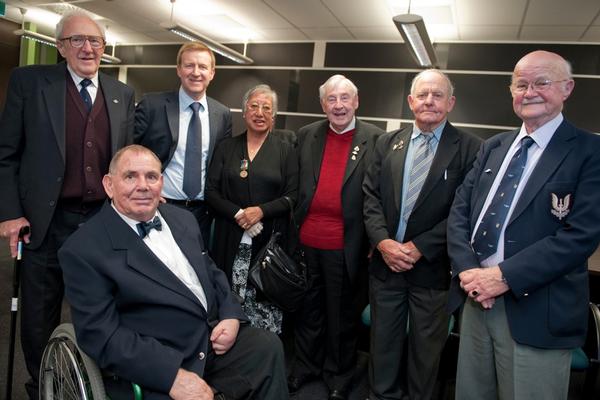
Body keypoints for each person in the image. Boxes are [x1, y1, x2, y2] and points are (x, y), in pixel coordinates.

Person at [58, 145, 289, 400]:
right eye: (130, 176)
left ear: (162, 183)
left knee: (267, 347)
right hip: (157, 359)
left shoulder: (182, 219)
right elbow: (102, 335)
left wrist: (230, 314)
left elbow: (210, 271)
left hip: (209, 339)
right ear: (109, 184)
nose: (143, 185)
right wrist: (171, 376)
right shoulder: (83, 250)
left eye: (152, 176)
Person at [447, 50, 600, 400]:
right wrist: (470, 272)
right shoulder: (493, 147)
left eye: (542, 82)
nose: (530, 91)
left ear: (567, 89)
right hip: (475, 301)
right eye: (521, 84)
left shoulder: (590, 151)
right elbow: (459, 213)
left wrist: (500, 278)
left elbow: (580, 236)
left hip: (537, 309)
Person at [0, 10, 135, 398]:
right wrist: (10, 213)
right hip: (45, 220)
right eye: (78, 40)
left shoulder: (121, 93)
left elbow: (123, 159)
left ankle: (91, 384)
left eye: (95, 41)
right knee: (39, 316)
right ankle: (43, 385)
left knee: (98, 309)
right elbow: (7, 153)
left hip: (100, 222)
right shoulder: (30, 83)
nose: (87, 48)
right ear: (61, 47)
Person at [363, 69, 481, 400]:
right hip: (386, 265)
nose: (429, 100)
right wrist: (383, 242)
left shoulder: (471, 148)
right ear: (411, 101)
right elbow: (369, 197)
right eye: (423, 94)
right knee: (382, 345)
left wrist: (419, 247)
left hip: (434, 269)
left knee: (425, 353)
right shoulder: (386, 142)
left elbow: (465, 210)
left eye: (438, 95)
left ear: (451, 102)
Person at [289, 74, 383, 400]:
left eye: (345, 98)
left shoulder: (376, 139)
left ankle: (338, 374)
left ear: (356, 102)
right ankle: (306, 367)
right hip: (306, 242)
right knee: (308, 311)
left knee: (341, 316)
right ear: (323, 104)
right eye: (332, 99)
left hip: (347, 245)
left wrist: (376, 238)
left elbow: (380, 196)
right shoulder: (306, 135)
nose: (339, 105)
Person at [205, 84, 298, 334]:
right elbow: (211, 192)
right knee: (228, 299)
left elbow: (293, 195)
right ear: (244, 112)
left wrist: (261, 211)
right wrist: (240, 215)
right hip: (230, 236)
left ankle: (263, 355)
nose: (260, 112)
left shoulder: (285, 151)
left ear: (274, 117)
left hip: (268, 241)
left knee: (263, 302)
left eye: (267, 108)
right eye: (254, 106)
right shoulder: (226, 148)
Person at [134, 42, 232, 249]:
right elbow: (128, 152)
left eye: (203, 67)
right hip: (160, 206)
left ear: (212, 73)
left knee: (194, 272)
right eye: (189, 65)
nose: (196, 72)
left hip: (202, 213)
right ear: (179, 70)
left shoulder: (222, 114)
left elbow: (222, 164)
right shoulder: (152, 105)